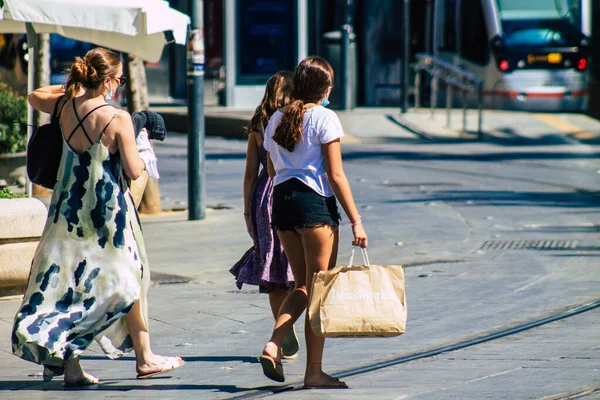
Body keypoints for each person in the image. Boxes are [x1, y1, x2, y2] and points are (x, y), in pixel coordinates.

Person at [11, 48, 184, 387]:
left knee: (70, 283)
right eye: (117, 80)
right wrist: (141, 135)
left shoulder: (65, 106)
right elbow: (134, 170)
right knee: (130, 279)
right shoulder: (117, 118)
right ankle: (144, 358)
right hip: (108, 218)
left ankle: (73, 364)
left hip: (66, 212)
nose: (118, 86)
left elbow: (35, 96)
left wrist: (73, 89)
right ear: (106, 81)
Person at [259, 56, 368, 389]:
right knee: (317, 291)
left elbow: (273, 170)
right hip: (313, 205)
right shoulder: (325, 118)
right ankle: (311, 370)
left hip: (283, 206)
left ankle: (277, 344)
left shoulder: (277, 118)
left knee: (302, 287)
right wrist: (356, 221)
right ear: (324, 89)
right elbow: (335, 175)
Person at [229, 71, 300, 359]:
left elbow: (249, 174)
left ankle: (280, 326)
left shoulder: (259, 123)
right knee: (297, 266)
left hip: (262, 198)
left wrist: (247, 211)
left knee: (272, 270)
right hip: (289, 190)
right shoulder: (297, 118)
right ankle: (289, 320)